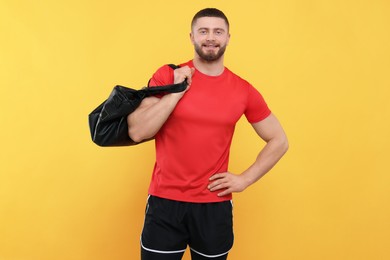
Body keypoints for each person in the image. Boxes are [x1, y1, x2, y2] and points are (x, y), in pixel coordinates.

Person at [127, 8, 288, 260]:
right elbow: (137, 132)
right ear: (191, 36)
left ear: (227, 38)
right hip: (164, 202)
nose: (210, 37)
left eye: (217, 31)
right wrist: (176, 91)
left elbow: (279, 140)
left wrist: (245, 179)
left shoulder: (243, 90)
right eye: (203, 31)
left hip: (214, 207)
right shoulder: (168, 76)